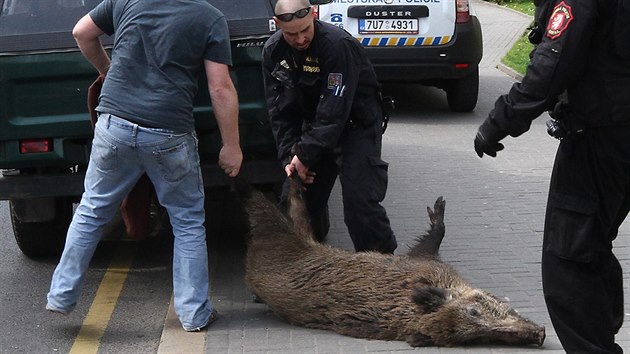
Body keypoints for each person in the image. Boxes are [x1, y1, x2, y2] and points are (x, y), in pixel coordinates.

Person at [46, 0, 243, 332]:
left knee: (93, 209)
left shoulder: (125, 0)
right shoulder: (209, 18)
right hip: (169, 133)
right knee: (187, 220)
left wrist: (106, 69)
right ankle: (194, 314)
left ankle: (61, 296)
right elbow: (220, 87)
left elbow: (82, 32)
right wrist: (232, 146)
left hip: (115, 125)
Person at [474, 0, 629, 352]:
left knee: (567, 260)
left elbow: (552, 63)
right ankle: (603, 331)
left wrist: (501, 120)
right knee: (591, 244)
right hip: (617, 136)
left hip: (599, 138)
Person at [262, 0, 397, 254]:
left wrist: (304, 155)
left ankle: (383, 267)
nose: (301, 39)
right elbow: (280, 113)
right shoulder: (273, 52)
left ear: (313, 15)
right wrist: (291, 159)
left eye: (305, 30)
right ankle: (288, 269)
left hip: (355, 126)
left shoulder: (337, 46)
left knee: (360, 203)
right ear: (278, 25)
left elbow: (334, 111)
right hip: (315, 129)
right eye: (292, 34)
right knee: (294, 196)